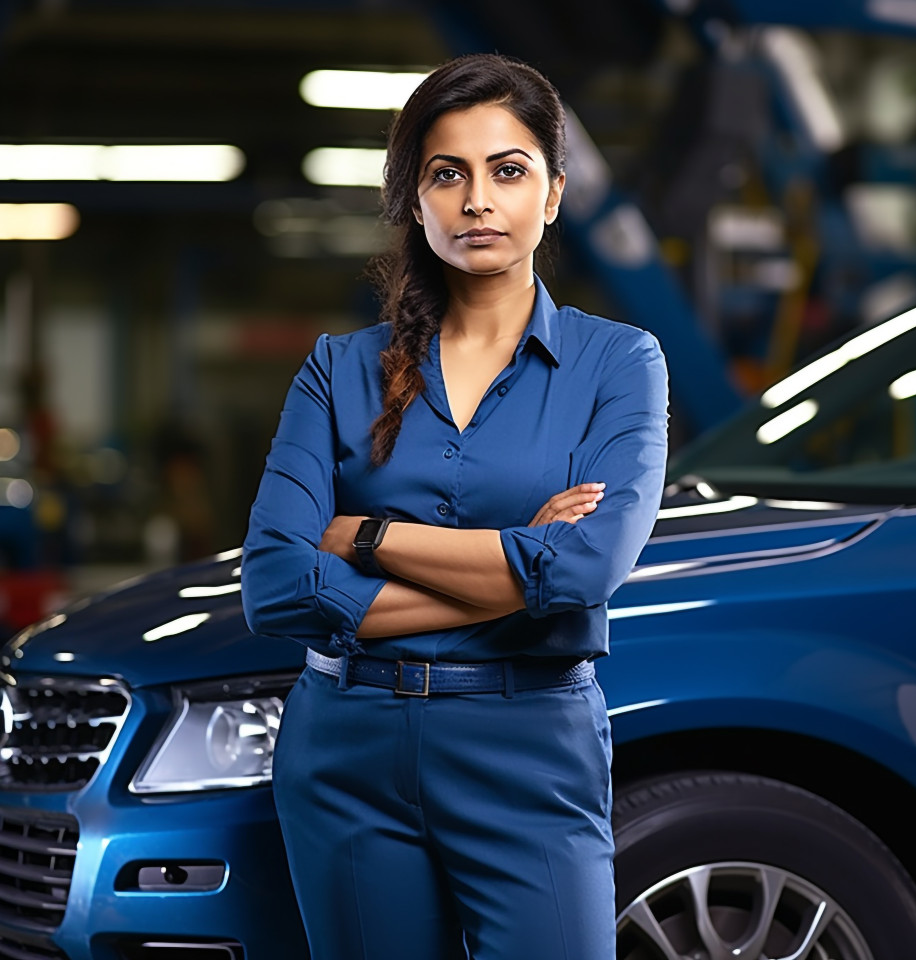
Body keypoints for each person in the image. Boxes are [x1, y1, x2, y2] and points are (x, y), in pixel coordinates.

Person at [241, 52, 668, 960]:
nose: (478, 200)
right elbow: (274, 586)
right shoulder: (338, 371)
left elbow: (585, 568)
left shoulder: (620, 363)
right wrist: (517, 572)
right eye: (448, 174)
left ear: (553, 194)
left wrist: (367, 535)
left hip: (529, 744)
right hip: (346, 750)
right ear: (414, 200)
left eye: (507, 171)